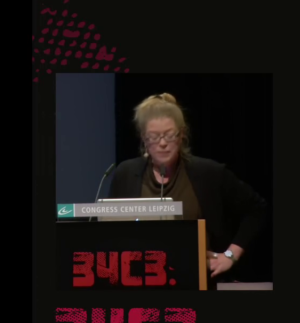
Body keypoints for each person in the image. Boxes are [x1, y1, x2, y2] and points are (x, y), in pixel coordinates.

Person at [109, 93, 268, 281]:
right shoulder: (126, 174)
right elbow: (112, 232)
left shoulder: (208, 173)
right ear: (144, 139)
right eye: (154, 137)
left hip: (197, 282)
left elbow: (257, 209)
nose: (162, 143)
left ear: (182, 134)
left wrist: (230, 255)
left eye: (169, 135)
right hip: (139, 284)